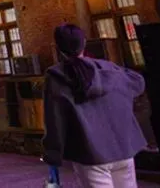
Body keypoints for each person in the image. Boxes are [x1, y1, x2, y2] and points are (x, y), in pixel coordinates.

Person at [43, 24, 147, 188]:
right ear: (84, 42)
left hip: (90, 153)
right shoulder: (109, 68)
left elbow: (54, 119)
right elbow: (138, 83)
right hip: (123, 148)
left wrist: (53, 153)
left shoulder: (57, 78)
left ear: (58, 48)